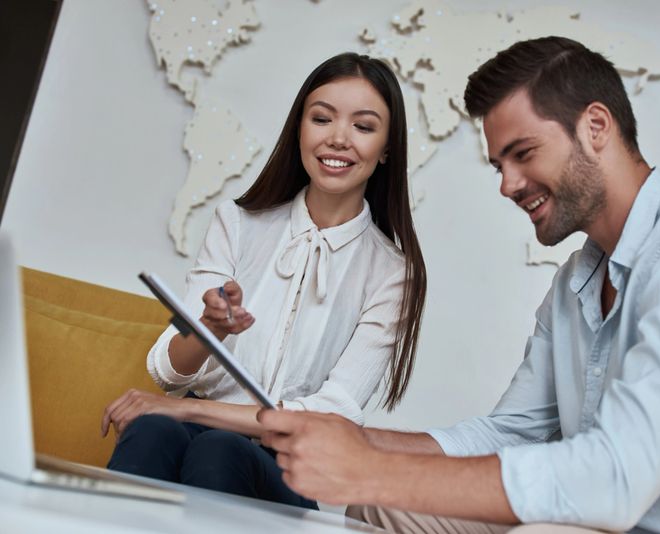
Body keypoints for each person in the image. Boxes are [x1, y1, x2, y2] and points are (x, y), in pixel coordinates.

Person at [255, 37, 660, 533]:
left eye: (523, 153)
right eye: (498, 165)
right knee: (388, 507)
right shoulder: (573, 288)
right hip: (608, 520)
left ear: (596, 127)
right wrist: (353, 443)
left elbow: (616, 477)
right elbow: (508, 435)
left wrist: (369, 470)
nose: (508, 185)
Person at [100, 52, 426, 509]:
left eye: (363, 126)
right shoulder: (236, 223)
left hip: (290, 464)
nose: (338, 139)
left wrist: (189, 408)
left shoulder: (394, 273)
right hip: (192, 424)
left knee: (217, 447)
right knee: (153, 430)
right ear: (300, 129)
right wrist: (210, 328)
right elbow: (168, 372)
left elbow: (335, 412)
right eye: (322, 119)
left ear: (387, 148)